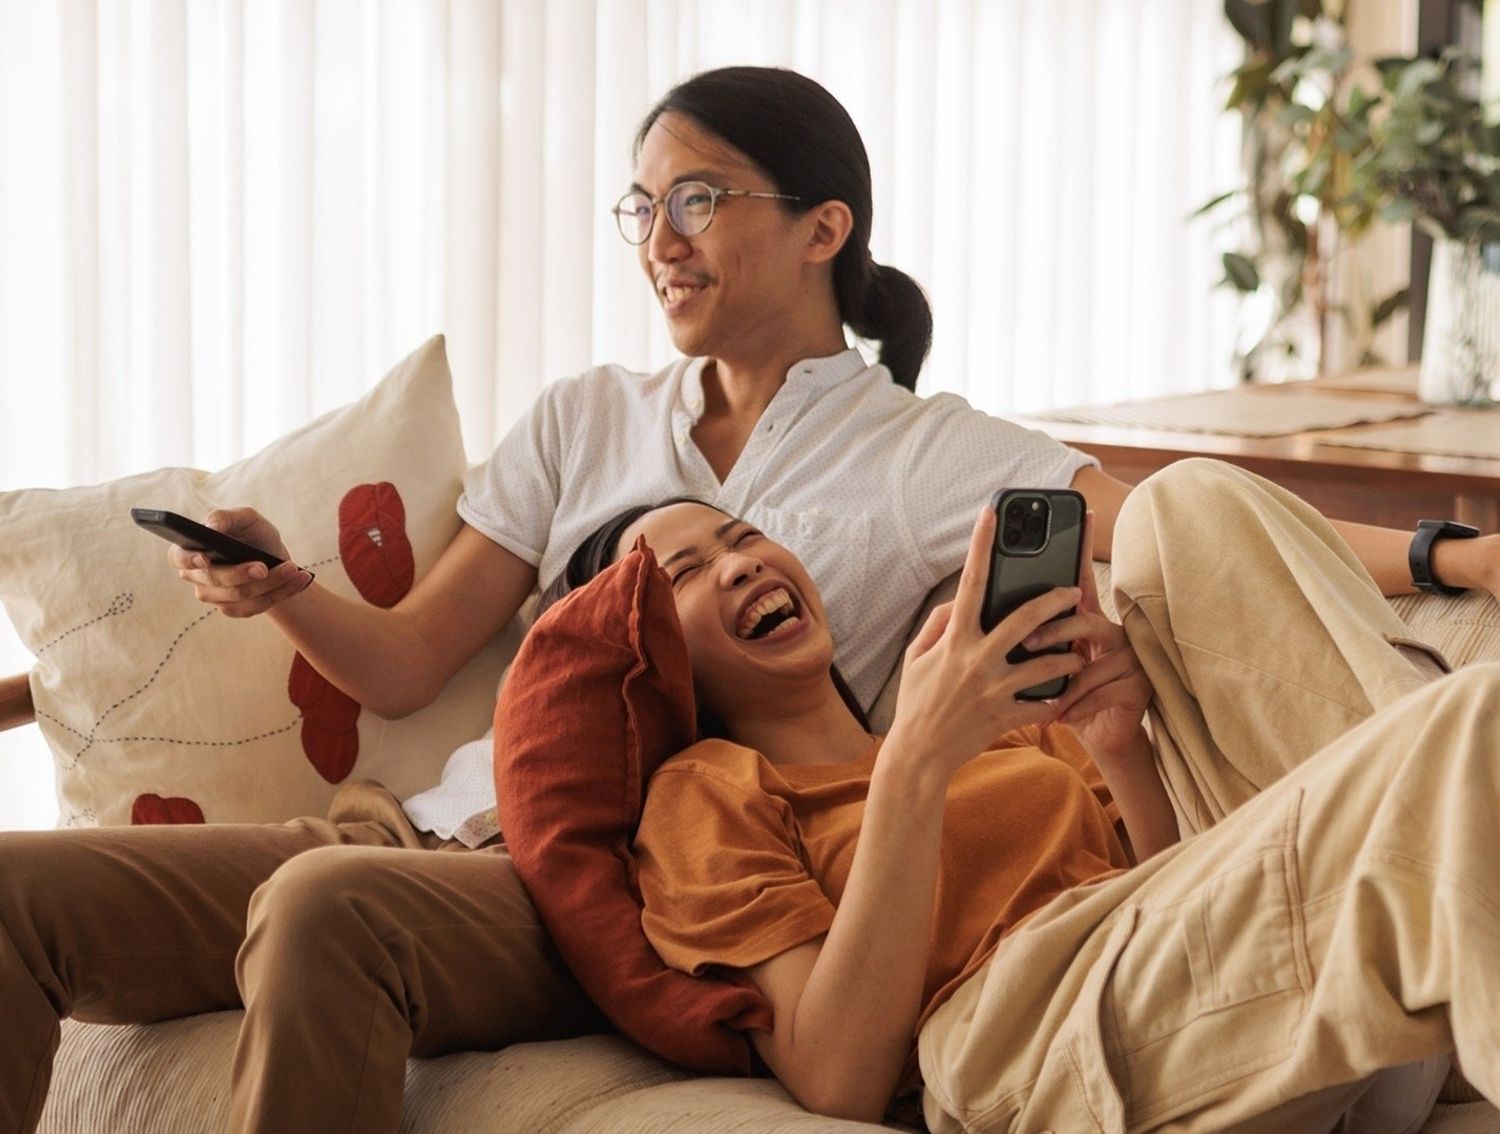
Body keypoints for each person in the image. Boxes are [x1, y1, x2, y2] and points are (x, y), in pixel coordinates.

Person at [0, 63, 1495, 1134]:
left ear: (823, 226)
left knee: (329, 914)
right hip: (434, 822)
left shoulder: (920, 452)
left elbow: (1160, 528)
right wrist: (287, 590)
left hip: (571, 875)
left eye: (698, 197)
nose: (659, 237)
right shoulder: (588, 418)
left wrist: (1448, 558)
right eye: (639, 205)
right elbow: (403, 670)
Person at [557, 460, 1498, 1133]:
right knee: (1471, 728)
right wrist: (913, 770)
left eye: (743, 538)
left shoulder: (995, 718)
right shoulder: (706, 794)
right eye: (686, 574)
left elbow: (1165, 888)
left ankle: (1443, 807)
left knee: (1183, 506)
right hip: (1024, 1036)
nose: (740, 564)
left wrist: (1119, 746)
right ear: (655, 658)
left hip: (1208, 989)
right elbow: (837, 1078)